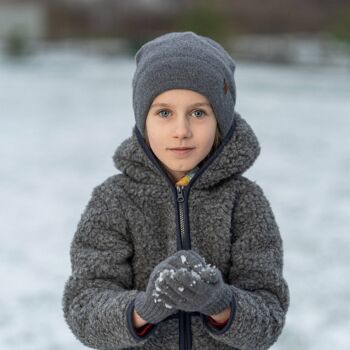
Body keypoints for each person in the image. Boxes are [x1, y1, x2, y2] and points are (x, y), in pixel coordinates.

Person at [62, 31, 290, 350]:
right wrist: (144, 310)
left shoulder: (246, 202)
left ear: (220, 121)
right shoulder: (112, 200)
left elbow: (269, 317)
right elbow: (84, 308)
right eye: (164, 113)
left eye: (198, 113)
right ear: (144, 119)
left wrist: (220, 303)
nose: (181, 131)